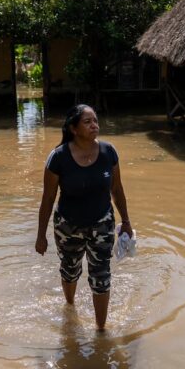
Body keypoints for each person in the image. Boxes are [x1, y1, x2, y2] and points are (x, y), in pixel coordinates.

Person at [36, 104, 133, 330]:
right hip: (68, 225)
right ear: (73, 128)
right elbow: (48, 199)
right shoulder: (58, 158)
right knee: (70, 270)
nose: (94, 125)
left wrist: (126, 221)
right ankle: (70, 307)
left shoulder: (109, 152)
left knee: (101, 277)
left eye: (95, 121)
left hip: (102, 224)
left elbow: (117, 190)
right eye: (87, 122)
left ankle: (100, 331)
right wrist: (41, 236)